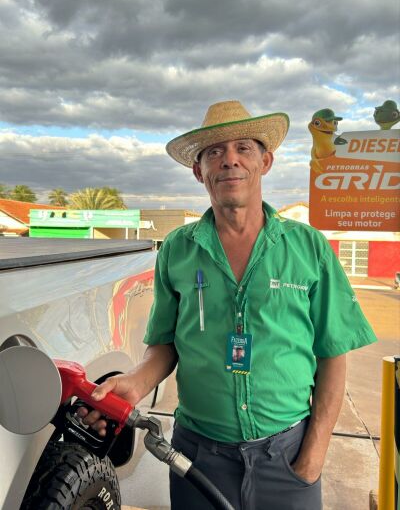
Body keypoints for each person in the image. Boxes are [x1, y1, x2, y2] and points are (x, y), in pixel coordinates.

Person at [79, 100, 377, 510]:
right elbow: (164, 345)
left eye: (244, 148)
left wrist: (313, 457)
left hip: (288, 458)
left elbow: (333, 355)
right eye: (214, 152)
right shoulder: (177, 251)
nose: (229, 160)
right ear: (199, 170)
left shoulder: (310, 248)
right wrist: (134, 383)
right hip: (197, 457)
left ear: (266, 161)